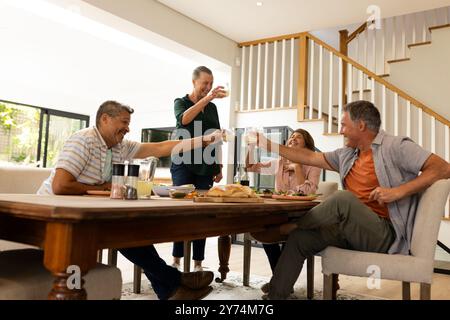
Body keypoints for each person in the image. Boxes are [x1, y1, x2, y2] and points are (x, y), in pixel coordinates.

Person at [254, 100, 450, 299]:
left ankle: (289, 227)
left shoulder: (396, 146)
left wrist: (398, 191)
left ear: (361, 125)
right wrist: (267, 144)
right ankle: (276, 295)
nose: (340, 131)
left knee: (342, 199)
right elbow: (307, 157)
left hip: (384, 234)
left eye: (343, 125)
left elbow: (443, 168)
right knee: (300, 239)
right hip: (349, 230)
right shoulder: (347, 155)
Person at [37, 100, 224, 300]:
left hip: (84, 215)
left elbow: (161, 147)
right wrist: (105, 187)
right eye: (124, 122)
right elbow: (60, 186)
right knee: (124, 232)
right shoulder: (83, 140)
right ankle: (175, 282)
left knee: (130, 232)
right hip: (54, 217)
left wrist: (202, 141)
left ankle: (170, 289)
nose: (128, 128)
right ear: (105, 119)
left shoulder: (119, 146)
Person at [170, 66, 226, 272]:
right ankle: (176, 259)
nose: (208, 87)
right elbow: (184, 119)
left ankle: (198, 263)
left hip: (206, 163)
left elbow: (216, 136)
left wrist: (218, 165)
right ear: (194, 82)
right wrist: (208, 98)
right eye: (205, 83)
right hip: (183, 161)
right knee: (181, 210)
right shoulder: (181, 102)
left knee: (201, 212)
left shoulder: (212, 108)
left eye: (211, 83)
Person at [246, 129, 321, 280]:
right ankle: (281, 281)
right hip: (278, 214)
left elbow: (305, 194)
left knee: (292, 235)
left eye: (298, 137)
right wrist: (251, 147)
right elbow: (250, 167)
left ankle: (279, 282)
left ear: (307, 145)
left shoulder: (313, 164)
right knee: (262, 230)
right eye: (291, 137)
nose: (293, 138)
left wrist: (297, 168)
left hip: (300, 216)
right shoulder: (279, 163)